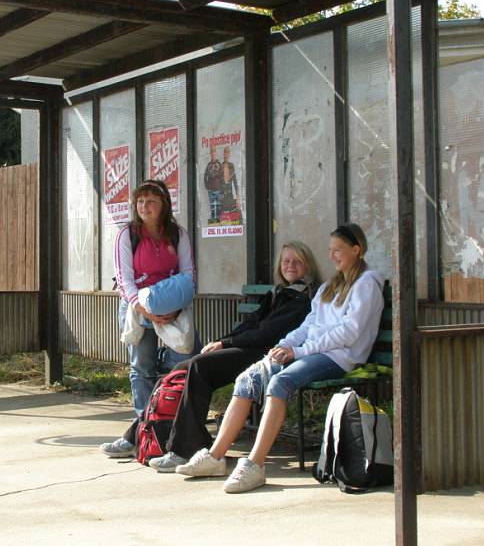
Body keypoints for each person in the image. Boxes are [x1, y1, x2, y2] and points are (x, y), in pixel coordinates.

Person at [175, 223, 384, 494]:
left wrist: (298, 351)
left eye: (339, 250)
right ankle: (215, 458)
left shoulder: (367, 283)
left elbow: (349, 332)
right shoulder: (330, 287)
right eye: (330, 250)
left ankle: (254, 464)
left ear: (357, 250)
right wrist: (284, 345)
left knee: (280, 383)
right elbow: (309, 325)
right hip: (312, 351)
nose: (333, 256)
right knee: (248, 379)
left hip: (339, 356)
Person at [101, 241, 322, 468]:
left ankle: (185, 449)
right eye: (286, 261)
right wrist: (222, 341)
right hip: (251, 347)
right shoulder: (278, 293)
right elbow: (251, 323)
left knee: (199, 368)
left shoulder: (304, 298)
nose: (291, 266)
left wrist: (226, 343)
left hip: (270, 354)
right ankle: (137, 435)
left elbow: (268, 334)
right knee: (179, 370)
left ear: (308, 266)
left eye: (297, 261)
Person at [101, 180, 197, 457]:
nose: (145, 206)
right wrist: (146, 311)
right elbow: (124, 280)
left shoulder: (177, 234)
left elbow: (189, 274)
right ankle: (143, 432)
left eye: (151, 200)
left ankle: (166, 423)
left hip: (172, 308)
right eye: (140, 201)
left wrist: (175, 309)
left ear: (164, 204)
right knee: (141, 367)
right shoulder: (127, 235)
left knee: (181, 363)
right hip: (138, 309)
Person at [203, 145, 223, 223]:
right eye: (212, 153)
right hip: (211, 189)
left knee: (218, 206)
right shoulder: (208, 165)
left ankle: (219, 221)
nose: (213, 155)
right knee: (212, 206)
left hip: (218, 189)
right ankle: (213, 222)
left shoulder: (219, 164)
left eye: (214, 153)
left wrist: (220, 186)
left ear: (216, 154)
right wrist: (207, 186)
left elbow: (222, 176)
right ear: (210, 154)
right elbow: (205, 176)